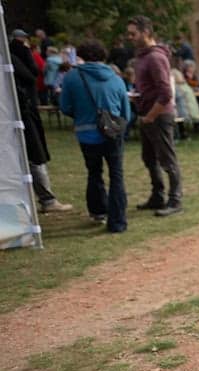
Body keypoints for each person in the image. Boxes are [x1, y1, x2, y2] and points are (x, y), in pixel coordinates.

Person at [59, 40, 131, 233]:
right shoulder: (116, 78)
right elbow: (126, 111)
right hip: (112, 132)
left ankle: (98, 210)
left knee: (94, 172)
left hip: (86, 132)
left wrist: (81, 115)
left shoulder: (72, 78)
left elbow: (65, 106)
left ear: (81, 55)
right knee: (116, 175)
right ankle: (117, 221)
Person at [9, 29, 73, 213]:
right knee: (33, 157)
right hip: (22, 113)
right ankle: (47, 199)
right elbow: (32, 73)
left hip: (24, 112)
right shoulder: (16, 56)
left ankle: (46, 199)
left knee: (33, 157)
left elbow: (34, 73)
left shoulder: (16, 57)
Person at [127, 14, 184, 217]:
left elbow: (166, 93)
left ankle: (175, 200)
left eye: (133, 33)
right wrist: (138, 97)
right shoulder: (142, 57)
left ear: (146, 32)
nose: (130, 37)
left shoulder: (155, 57)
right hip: (147, 114)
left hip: (158, 116)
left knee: (167, 160)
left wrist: (151, 115)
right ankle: (157, 196)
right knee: (149, 158)